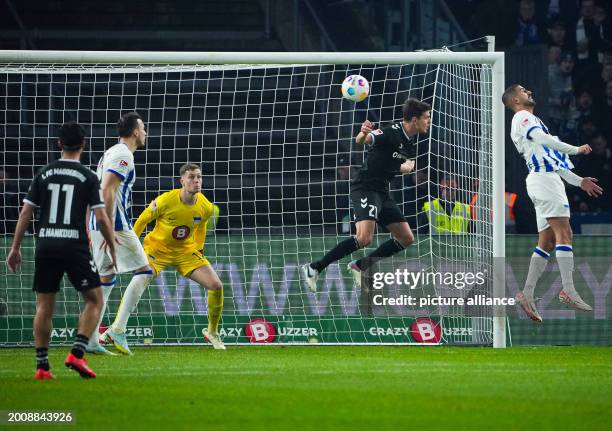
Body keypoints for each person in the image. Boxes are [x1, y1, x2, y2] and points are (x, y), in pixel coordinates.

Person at [6, 122, 116, 379]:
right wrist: (111, 247)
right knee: (95, 299)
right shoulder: (89, 176)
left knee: (44, 305)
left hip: (46, 243)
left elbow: (25, 212)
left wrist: (15, 248)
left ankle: (42, 367)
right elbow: (101, 217)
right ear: (83, 145)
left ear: (59, 144)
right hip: (74, 245)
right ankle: (76, 353)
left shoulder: (44, 173)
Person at [300, 98, 430, 291]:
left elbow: (405, 165)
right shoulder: (390, 132)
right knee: (364, 238)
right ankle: (314, 267)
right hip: (365, 187)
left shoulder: (410, 143)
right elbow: (362, 140)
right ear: (414, 119)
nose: (429, 121)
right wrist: (363, 132)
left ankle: (361, 266)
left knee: (406, 238)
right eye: (426, 118)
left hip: (382, 192)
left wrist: (407, 167)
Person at [502, 84, 604, 322]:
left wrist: (580, 182)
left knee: (547, 241)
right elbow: (542, 139)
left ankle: (526, 293)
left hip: (544, 180)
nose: (529, 91)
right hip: (544, 182)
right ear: (515, 100)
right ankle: (568, 288)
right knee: (564, 232)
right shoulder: (522, 117)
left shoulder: (533, 120)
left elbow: (554, 161)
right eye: (523, 90)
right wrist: (576, 149)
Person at [122, 163, 225, 349]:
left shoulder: (206, 206)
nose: (196, 181)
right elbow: (143, 220)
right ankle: (117, 328)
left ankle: (212, 332)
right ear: (182, 181)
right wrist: (134, 247)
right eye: (192, 177)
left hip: (185, 252)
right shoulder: (166, 200)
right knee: (141, 278)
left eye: (199, 177)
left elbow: (201, 226)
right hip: (158, 250)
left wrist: (199, 248)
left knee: (216, 285)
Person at [89, 112, 154, 355]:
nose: (145, 132)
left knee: (105, 279)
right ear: (135, 131)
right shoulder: (123, 154)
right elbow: (105, 189)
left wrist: (93, 224)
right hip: (114, 225)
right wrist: (106, 228)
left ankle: (92, 338)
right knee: (146, 271)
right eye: (143, 128)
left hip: (101, 224)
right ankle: (118, 328)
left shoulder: (111, 152)